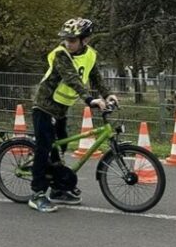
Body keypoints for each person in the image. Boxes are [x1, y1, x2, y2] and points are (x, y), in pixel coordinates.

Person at [29, 18, 117, 213]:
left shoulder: (90, 55)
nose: (68, 43)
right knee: (44, 149)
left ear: (84, 40)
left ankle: (58, 189)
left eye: (73, 39)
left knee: (60, 148)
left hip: (61, 109)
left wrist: (107, 94)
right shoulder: (61, 54)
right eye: (66, 39)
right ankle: (37, 194)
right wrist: (89, 99)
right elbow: (72, 79)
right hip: (44, 106)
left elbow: (96, 78)